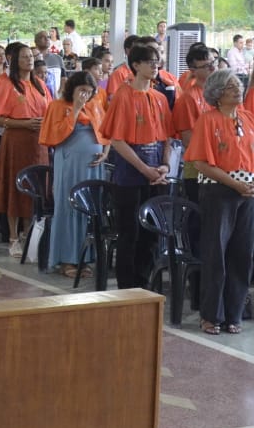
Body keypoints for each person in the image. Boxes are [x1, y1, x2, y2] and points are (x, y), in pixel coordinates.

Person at [186, 68, 254, 335]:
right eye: (231, 87)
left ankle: (235, 314)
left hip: (249, 192)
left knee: (242, 253)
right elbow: (201, 162)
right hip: (219, 191)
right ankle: (211, 315)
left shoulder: (248, 117)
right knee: (216, 254)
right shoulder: (208, 120)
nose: (238, 90)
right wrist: (235, 184)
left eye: (238, 85)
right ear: (218, 94)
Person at [101, 42, 173, 289]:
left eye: (157, 61)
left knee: (151, 233)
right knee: (129, 232)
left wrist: (165, 165)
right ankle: (127, 287)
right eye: (150, 62)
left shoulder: (160, 97)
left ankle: (144, 284)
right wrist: (144, 169)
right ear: (136, 65)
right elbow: (117, 140)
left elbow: (167, 137)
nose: (155, 66)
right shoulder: (123, 95)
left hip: (156, 174)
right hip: (130, 176)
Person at [39, 71, 108, 278]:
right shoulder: (57, 106)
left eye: (89, 91)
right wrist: (76, 109)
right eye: (81, 90)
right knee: (69, 207)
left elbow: (106, 132)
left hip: (93, 165)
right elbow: (54, 136)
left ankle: (86, 258)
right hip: (70, 163)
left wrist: (105, 152)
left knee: (90, 209)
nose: (85, 95)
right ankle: (66, 259)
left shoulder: (95, 106)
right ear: (72, 89)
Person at [0, 42, 50, 259]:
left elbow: (50, 111)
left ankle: (29, 235)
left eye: (31, 56)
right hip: (16, 142)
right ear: (15, 61)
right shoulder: (6, 84)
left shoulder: (40, 84)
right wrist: (24, 124)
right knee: (15, 189)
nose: (29, 59)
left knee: (35, 190)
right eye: (24, 56)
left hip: (39, 145)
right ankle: (13, 237)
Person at [171, 44, 216, 200]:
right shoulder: (188, 98)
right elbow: (188, 140)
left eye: (213, 63)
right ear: (193, 70)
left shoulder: (221, 94)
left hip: (221, 165)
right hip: (198, 167)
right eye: (206, 66)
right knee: (198, 208)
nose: (213, 68)